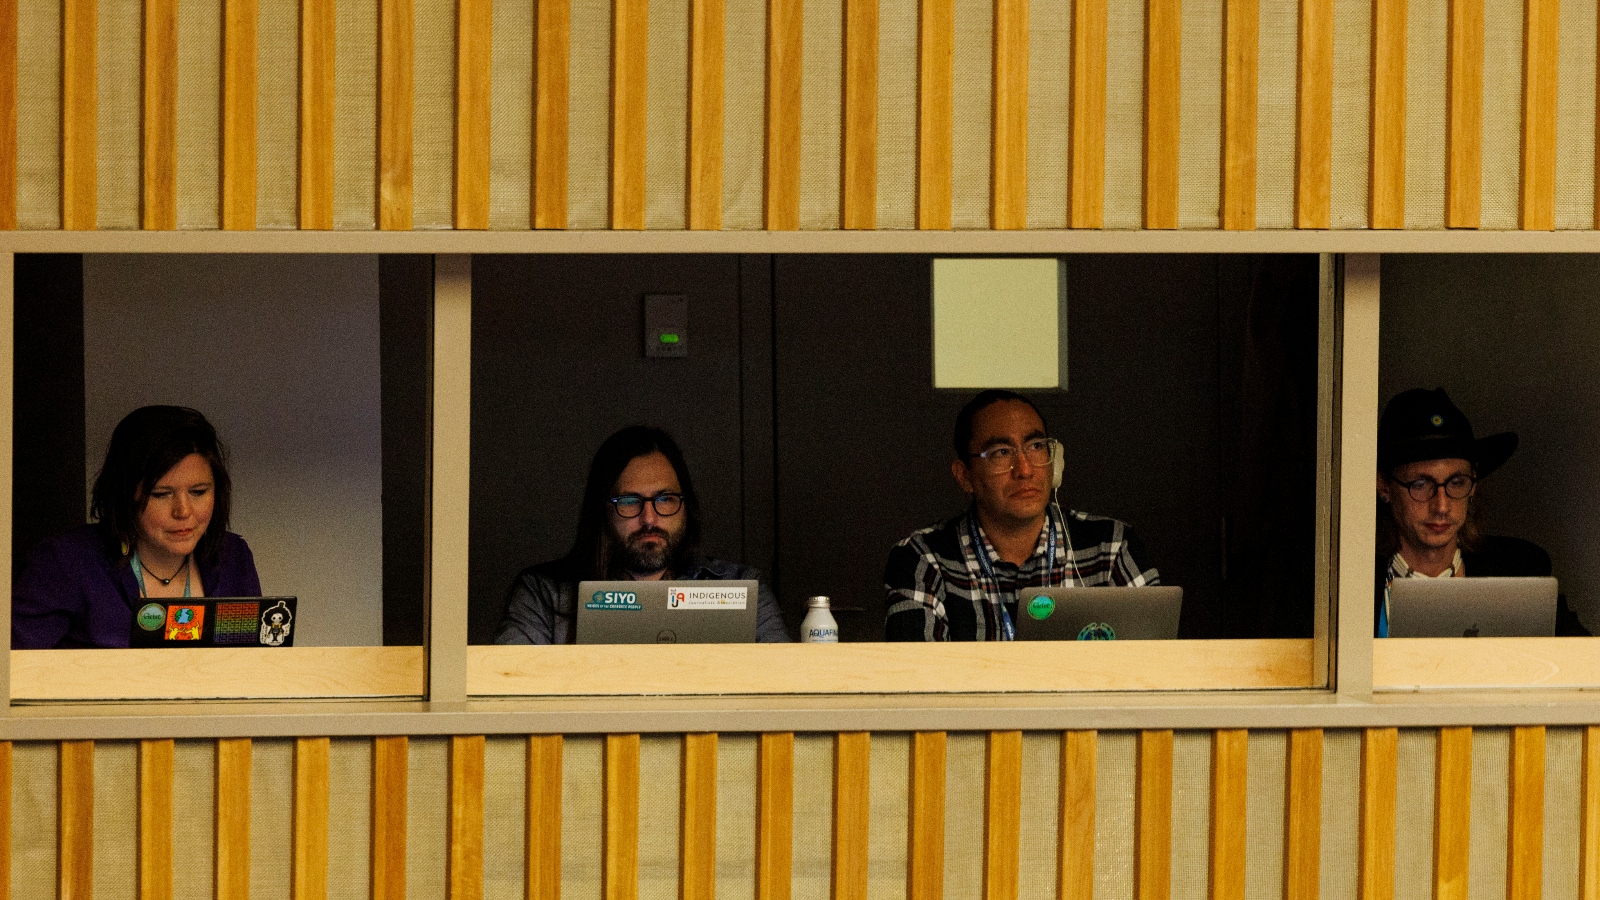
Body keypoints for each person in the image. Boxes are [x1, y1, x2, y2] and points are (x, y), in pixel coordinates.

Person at [884, 390, 1160, 641]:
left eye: (1036, 446)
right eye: (1002, 453)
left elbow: (1161, 666)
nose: (1025, 469)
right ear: (965, 476)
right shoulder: (924, 558)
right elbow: (918, 681)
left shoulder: (1110, 545)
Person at [495, 426, 789, 643]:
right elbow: (512, 698)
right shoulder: (545, 595)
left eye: (665, 499)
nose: (649, 519)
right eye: (629, 501)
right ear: (602, 511)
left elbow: (784, 688)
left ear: (686, 506)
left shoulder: (741, 588)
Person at [13, 406, 262, 648]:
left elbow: (253, 668)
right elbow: (12, 672)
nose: (183, 512)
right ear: (124, 494)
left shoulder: (233, 557)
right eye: (161, 494)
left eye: (198, 492)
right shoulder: (65, 561)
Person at [1375, 388, 1588, 636]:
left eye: (1456, 482)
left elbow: (1584, 659)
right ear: (1384, 486)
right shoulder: (1348, 584)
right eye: (1420, 485)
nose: (1441, 506)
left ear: (1473, 484)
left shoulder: (1518, 574)